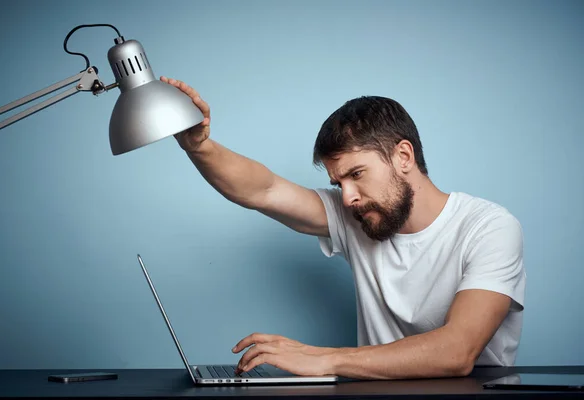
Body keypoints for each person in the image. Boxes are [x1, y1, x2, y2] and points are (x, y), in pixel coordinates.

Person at [159, 76, 526, 380]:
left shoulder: (489, 228)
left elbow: (458, 351)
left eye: (356, 174)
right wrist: (199, 147)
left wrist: (326, 359)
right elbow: (263, 189)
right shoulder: (359, 215)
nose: (348, 197)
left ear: (403, 156)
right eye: (339, 184)